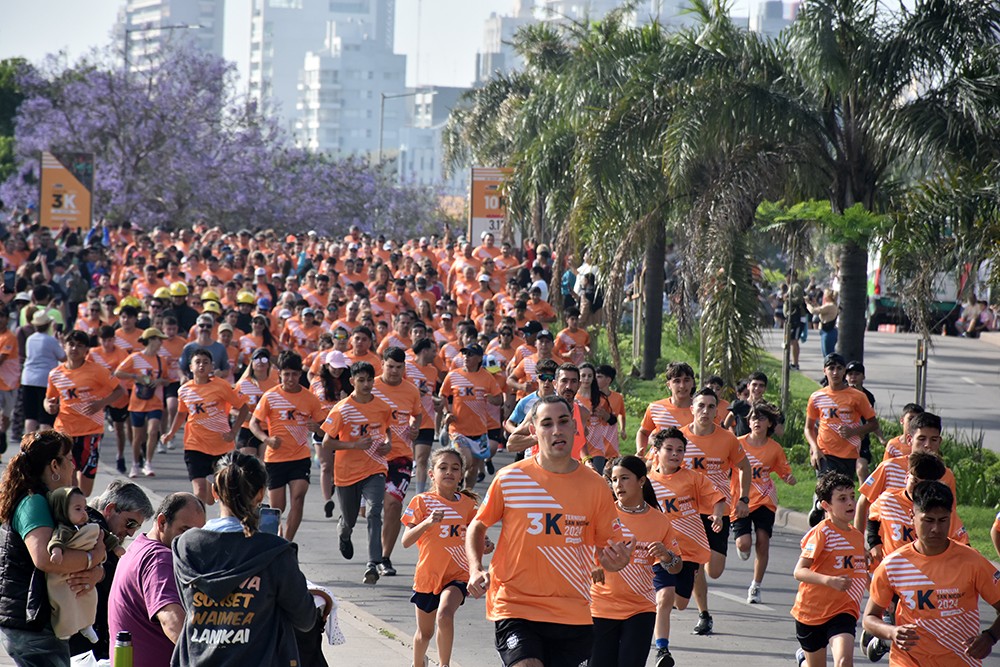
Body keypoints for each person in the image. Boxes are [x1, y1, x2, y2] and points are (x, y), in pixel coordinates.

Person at [466, 395, 634, 667]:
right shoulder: (510, 477)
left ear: (574, 428)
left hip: (573, 610)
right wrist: (475, 568)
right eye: (547, 423)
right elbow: (478, 524)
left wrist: (617, 560)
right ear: (533, 431)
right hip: (515, 604)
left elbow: (607, 549)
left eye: (563, 421)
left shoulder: (595, 486)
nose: (556, 430)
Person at [171, 452, 318, 667]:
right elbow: (305, 619)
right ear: (260, 494)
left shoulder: (185, 545)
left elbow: (189, 605)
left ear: (214, 492)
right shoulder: (275, 552)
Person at [863, 481, 1000, 666]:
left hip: (960, 660)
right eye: (928, 520)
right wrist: (891, 632)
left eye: (943, 520)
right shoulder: (893, 565)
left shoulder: (972, 561)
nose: (936, 529)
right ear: (912, 517)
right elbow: (869, 618)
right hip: (907, 660)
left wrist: (990, 636)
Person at [0, 430, 107, 666]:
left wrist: (96, 571)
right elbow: (45, 559)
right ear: (54, 466)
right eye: (69, 459)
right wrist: (93, 557)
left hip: (40, 620)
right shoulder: (33, 501)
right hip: (31, 622)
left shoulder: (50, 499)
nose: (74, 465)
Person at [591, 455, 682, 667]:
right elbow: (583, 551)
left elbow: (677, 567)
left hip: (640, 608)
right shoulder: (602, 514)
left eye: (624, 478)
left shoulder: (659, 520)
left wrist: (666, 556)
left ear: (641, 481)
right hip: (601, 607)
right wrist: (593, 565)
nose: (618, 485)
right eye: (614, 480)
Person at [646, 428, 725, 659]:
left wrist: (718, 516)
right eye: (669, 449)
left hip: (690, 553)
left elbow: (717, 497)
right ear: (656, 451)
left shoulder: (693, 478)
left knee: (680, 603)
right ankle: (662, 650)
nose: (674, 454)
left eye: (680, 450)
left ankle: (662, 604)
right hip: (662, 551)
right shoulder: (647, 483)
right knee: (664, 598)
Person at [681, 387, 752, 635]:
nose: (706, 411)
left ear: (717, 411)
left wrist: (743, 498)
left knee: (715, 570)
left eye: (711, 407)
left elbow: (744, 467)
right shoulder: (680, 439)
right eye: (701, 406)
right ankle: (704, 614)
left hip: (718, 510)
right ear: (692, 409)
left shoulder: (727, 440)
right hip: (687, 512)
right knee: (697, 565)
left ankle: (702, 568)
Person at [402, 448, 482, 667]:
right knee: (424, 633)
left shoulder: (467, 505)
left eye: (455, 468)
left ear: (461, 474)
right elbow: (406, 540)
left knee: (445, 615)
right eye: (443, 467)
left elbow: (474, 536)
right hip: (428, 576)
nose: (449, 472)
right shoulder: (421, 502)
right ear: (431, 474)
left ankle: (444, 664)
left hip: (457, 574)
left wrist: (485, 545)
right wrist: (427, 522)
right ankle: (419, 663)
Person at [108, 493, 206, 667]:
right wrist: (208, 657)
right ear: (162, 522)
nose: (191, 542)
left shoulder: (138, 546)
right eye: (184, 531)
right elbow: (172, 621)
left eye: (198, 534)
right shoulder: (160, 559)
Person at [321, 361, 393, 585]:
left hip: (375, 467)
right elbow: (326, 443)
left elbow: (387, 429)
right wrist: (354, 446)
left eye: (369, 380)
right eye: (361, 380)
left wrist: (388, 444)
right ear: (352, 381)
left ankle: (372, 563)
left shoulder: (382, 407)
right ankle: (344, 530)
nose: (366, 384)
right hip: (347, 472)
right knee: (350, 519)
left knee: (373, 512)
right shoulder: (342, 409)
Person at [791, 472, 867, 667]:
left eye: (852, 497)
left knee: (843, 662)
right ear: (826, 505)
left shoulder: (857, 537)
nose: (850, 503)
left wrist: (880, 596)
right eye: (842, 499)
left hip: (843, 610)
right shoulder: (821, 533)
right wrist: (829, 580)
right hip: (810, 613)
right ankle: (804, 661)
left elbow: (860, 573)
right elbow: (799, 571)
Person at [249, 351, 326, 543]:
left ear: (300, 375)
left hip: (299, 457)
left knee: (298, 497)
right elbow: (253, 424)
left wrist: (317, 428)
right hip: (275, 458)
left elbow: (325, 429)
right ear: (280, 374)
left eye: (294, 374)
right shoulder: (270, 396)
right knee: (277, 508)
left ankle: (287, 543)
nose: (290, 378)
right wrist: (266, 439)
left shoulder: (310, 399)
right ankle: (270, 541)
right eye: (286, 374)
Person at [72, 480, 154, 659]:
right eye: (130, 523)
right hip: (77, 639)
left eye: (137, 527)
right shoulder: (89, 530)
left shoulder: (98, 531)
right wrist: (101, 573)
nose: (131, 533)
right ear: (110, 509)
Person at [160, 349, 251, 506]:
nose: (201, 365)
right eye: (198, 362)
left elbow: (243, 408)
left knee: (214, 497)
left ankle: (214, 487)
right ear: (190, 367)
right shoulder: (184, 390)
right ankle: (200, 529)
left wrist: (233, 431)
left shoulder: (222, 386)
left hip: (221, 446)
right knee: (200, 492)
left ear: (211, 367)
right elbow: (181, 414)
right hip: (195, 445)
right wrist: (170, 433)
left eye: (205, 362)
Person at [44, 330, 127, 497]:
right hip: (64, 431)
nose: (74, 348)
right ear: (64, 347)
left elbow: (120, 390)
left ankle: (79, 506)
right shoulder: (56, 374)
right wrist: (49, 407)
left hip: (90, 432)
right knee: (70, 479)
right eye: (71, 344)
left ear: (86, 350)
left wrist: (101, 403)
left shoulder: (97, 371)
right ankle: (73, 512)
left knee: (86, 490)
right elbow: (48, 399)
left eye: (80, 346)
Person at [804, 353, 877, 526]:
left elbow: (873, 424)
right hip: (825, 452)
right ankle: (818, 505)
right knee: (829, 487)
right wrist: (814, 448)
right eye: (831, 368)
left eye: (839, 368)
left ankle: (830, 523)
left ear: (844, 371)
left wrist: (854, 430)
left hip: (849, 454)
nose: (835, 372)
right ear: (825, 371)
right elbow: (808, 428)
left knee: (840, 494)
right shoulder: (817, 397)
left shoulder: (857, 396)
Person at [734, 401, 796, 605]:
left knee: (763, 541)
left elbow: (783, 470)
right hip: (740, 499)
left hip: (764, 499)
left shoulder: (775, 448)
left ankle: (755, 586)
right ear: (748, 422)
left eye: (761, 418)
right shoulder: (738, 444)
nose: (756, 422)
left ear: (769, 423)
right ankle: (743, 546)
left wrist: (788, 478)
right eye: (753, 418)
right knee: (744, 544)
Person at [44, 486, 123, 643]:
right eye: (77, 509)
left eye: (84, 508)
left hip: (87, 572)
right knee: (64, 602)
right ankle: (65, 628)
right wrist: (56, 552)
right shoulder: (64, 529)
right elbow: (57, 541)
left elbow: (107, 537)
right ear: (63, 511)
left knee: (90, 599)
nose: (84, 514)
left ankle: (87, 625)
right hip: (65, 575)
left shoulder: (91, 526)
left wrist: (117, 547)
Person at [372, 346, 423, 577]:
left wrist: (415, 426)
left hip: (401, 456)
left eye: (399, 368)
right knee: (370, 510)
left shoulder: (411, 390)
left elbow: (417, 413)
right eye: (390, 366)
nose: (394, 371)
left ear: (404, 368)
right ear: (382, 364)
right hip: (370, 456)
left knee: (392, 506)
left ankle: (384, 558)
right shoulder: (370, 386)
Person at [440, 343, 504, 490]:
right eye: (465, 353)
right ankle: (454, 486)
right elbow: (442, 395)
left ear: (479, 358)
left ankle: (467, 494)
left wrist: (492, 399)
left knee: (474, 466)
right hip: (458, 429)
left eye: (470, 354)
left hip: (479, 430)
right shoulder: (453, 375)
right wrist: (446, 412)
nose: (466, 357)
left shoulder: (487, 377)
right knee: (465, 461)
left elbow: (498, 399)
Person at [115, 327, 170, 478]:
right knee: (137, 436)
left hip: (155, 401)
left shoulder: (161, 360)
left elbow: (167, 380)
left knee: (153, 431)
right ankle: (135, 464)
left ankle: (148, 463)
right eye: (159, 339)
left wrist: (160, 380)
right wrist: (135, 377)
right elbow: (118, 372)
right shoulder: (135, 357)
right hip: (137, 402)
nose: (161, 343)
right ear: (151, 340)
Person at [636, 362, 695, 458]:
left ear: (692, 382)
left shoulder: (702, 410)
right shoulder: (656, 408)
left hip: (689, 467)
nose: (682, 386)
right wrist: (640, 451)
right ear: (668, 384)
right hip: (656, 466)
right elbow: (643, 432)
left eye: (686, 380)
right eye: (677, 381)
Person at [21, 311, 66, 433]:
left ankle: (28, 445)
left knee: (30, 416)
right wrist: (61, 342)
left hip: (28, 378)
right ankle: (43, 448)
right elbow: (63, 357)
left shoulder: (30, 339)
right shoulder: (51, 340)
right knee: (45, 418)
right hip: (45, 379)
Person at [844, 360, 882, 481]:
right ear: (845, 376)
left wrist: (881, 438)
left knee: (862, 468)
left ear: (863, 376)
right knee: (843, 475)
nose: (853, 377)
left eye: (857, 374)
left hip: (861, 439)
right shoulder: (841, 394)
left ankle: (865, 498)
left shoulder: (868, 396)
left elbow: (871, 420)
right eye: (850, 374)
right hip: (842, 439)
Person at [179, 313, 230, 382]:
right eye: (202, 326)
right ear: (196, 328)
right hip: (194, 386)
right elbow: (180, 368)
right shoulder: (188, 347)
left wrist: (221, 373)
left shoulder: (220, 348)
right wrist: (182, 377)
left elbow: (226, 370)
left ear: (212, 328)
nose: (205, 328)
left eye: (208, 326)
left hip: (214, 386)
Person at [807, 289, 839, 358]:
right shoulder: (830, 305)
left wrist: (807, 304)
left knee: (828, 355)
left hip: (828, 331)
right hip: (825, 331)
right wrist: (815, 303)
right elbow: (821, 310)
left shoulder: (830, 306)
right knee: (826, 354)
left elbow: (813, 311)